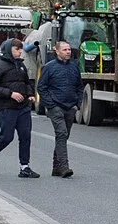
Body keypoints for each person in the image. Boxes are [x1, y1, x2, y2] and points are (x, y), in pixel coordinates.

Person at [0, 39, 39, 179]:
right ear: (8, 49)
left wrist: (30, 94)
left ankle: (25, 167)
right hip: (7, 108)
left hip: (23, 107)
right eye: (17, 49)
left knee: (25, 136)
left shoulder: (21, 66)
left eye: (20, 49)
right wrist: (10, 94)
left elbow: (26, 83)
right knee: (6, 138)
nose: (20, 52)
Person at [36, 38, 84, 178]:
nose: (68, 52)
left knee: (63, 136)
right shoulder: (49, 67)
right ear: (57, 51)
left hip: (70, 107)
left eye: (69, 49)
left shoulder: (74, 66)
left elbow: (79, 87)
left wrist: (77, 104)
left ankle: (56, 167)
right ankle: (64, 167)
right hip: (56, 107)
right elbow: (41, 87)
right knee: (61, 133)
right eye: (65, 50)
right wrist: (51, 105)